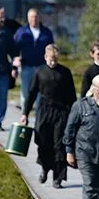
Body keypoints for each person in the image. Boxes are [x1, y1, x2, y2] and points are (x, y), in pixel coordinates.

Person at [21, 44, 76, 187]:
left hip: (61, 112)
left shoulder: (65, 72)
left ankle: (58, 177)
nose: (53, 62)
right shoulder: (39, 72)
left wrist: (74, 115)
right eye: (51, 59)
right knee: (43, 142)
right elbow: (31, 93)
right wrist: (25, 113)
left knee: (59, 144)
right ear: (45, 57)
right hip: (44, 111)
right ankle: (45, 168)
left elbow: (71, 96)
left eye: (55, 59)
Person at [13, 8, 55, 109]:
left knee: (40, 92)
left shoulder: (46, 33)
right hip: (27, 66)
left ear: (39, 18)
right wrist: (14, 67)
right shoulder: (22, 32)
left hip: (42, 67)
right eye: (31, 17)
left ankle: (37, 116)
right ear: (28, 18)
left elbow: (51, 49)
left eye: (36, 17)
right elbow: (14, 49)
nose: (34, 19)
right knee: (26, 92)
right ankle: (24, 114)